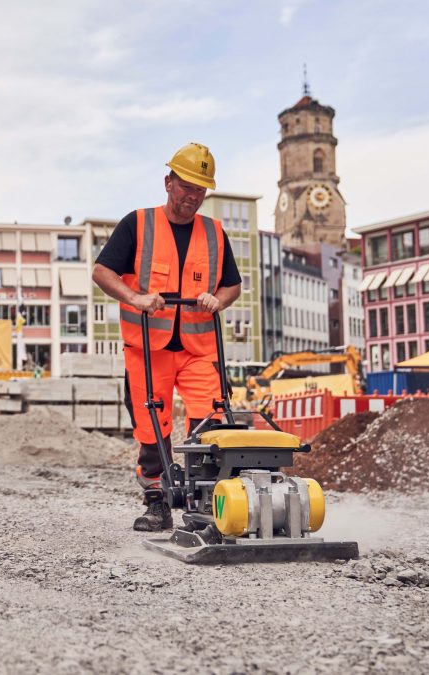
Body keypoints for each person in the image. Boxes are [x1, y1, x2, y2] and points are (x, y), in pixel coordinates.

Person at [91, 142, 243, 532]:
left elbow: (232, 286)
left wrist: (217, 300)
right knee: (150, 428)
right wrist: (135, 297)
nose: (192, 196)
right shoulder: (137, 224)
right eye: (186, 186)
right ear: (168, 182)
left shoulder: (214, 233)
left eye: (200, 189)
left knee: (209, 423)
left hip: (198, 348)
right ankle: (157, 503)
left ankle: (205, 504)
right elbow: (102, 272)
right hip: (148, 348)